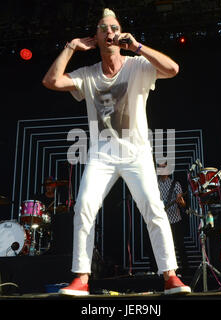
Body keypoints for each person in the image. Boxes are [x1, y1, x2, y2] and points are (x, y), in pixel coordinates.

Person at [42, 8, 190, 295]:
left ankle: (170, 276)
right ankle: (81, 278)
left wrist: (137, 46)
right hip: (101, 154)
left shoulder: (137, 65)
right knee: (84, 206)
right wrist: (71, 47)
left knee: (154, 207)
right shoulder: (87, 74)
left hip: (136, 152)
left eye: (114, 27)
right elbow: (51, 81)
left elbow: (173, 69)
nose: (109, 31)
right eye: (103, 28)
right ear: (95, 38)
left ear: (120, 34)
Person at [157, 161, 190, 274]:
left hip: (175, 220)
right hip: (162, 221)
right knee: (163, 247)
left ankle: (186, 270)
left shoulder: (175, 184)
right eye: (160, 168)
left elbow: (183, 204)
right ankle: (165, 271)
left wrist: (181, 201)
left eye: (163, 167)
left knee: (179, 245)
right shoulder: (155, 185)